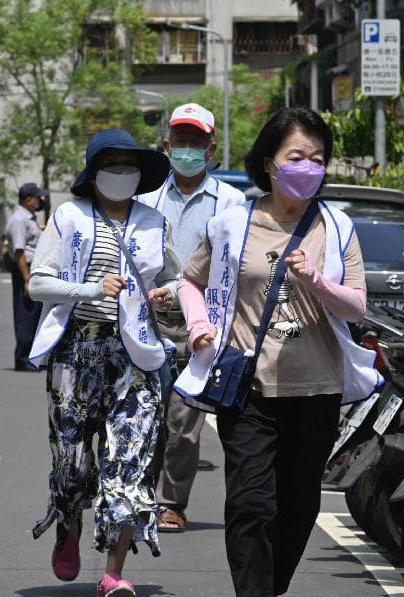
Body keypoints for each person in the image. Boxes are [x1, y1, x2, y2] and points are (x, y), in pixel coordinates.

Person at [174, 106, 381, 597]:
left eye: (318, 158)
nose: (308, 166)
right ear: (269, 162)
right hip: (249, 389)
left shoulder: (337, 227)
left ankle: (268, 586)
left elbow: (356, 307)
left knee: (298, 506)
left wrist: (316, 280)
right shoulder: (231, 224)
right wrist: (200, 325)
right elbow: (190, 280)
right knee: (250, 505)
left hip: (318, 390)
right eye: (296, 156)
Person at [27, 129, 179, 597]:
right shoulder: (68, 217)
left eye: (128, 164)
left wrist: (167, 295)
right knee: (71, 464)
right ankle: (69, 521)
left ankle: (113, 574)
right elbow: (38, 284)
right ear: (93, 174)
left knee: (130, 463)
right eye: (111, 163)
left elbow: (175, 281)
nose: (121, 172)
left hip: (135, 357)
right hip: (77, 352)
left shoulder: (155, 222)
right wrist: (90, 290)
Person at [136, 103, 246, 533]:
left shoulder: (232, 202)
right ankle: (138, 492)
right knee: (146, 413)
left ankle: (170, 502)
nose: (186, 149)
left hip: (201, 326)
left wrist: (184, 291)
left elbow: (232, 266)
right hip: (147, 320)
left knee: (183, 420)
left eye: (194, 142)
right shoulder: (146, 200)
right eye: (179, 141)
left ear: (210, 147)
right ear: (166, 146)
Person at [6, 182, 47, 371]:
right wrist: (27, 279)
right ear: (28, 199)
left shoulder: (29, 218)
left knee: (35, 313)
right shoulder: (19, 220)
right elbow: (20, 252)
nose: (41, 200)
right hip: (26, 269)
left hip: (34, 268)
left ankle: (32, 356)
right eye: (38, 197)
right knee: (26, 314)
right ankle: (23, 358)